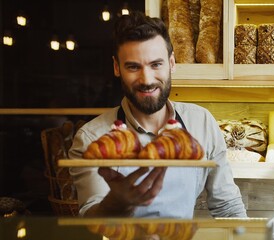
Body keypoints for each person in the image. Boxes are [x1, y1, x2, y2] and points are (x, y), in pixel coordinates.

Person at [68, 11, 247, 218]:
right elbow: (91, 221)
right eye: (133, 67)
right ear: (117, 68)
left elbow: (228, 207)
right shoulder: (91, 138)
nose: (147, 79)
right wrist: (114, 206)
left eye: (156, 64)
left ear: (172, 63)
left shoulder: (201, 122)